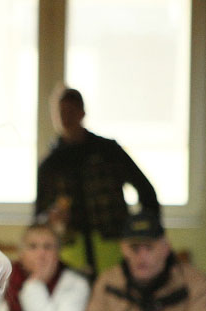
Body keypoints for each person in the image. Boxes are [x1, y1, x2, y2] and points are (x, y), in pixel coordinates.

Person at [35, 86, 160, 278]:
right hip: (71, 250)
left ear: (82, 112)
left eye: (71, 111)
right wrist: (52, 219)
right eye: (61, 113)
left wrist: (141, 232)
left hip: (112, 243)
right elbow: (38, 217)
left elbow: (146, 191)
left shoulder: (108, 152)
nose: (66, 118)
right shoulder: (51, 164)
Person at [81, 211, 206, 311]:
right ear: (123, 248)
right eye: (134, 248)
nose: (142, 257)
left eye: (149, 247)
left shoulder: (195, 283)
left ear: (166, 248)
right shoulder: (107, 282)